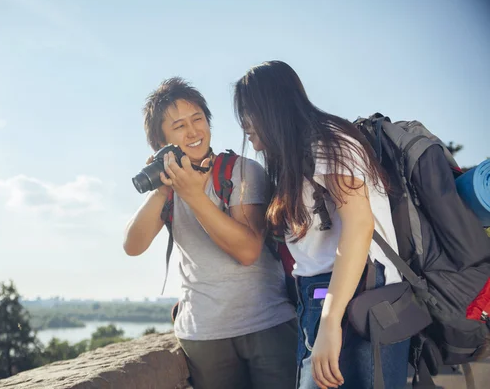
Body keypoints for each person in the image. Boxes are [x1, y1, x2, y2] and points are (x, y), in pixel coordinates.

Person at [233, 61, 410, 389]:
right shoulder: (297, 154)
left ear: (272, 106)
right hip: (331, 294)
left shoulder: (325, 143)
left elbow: (359, 225)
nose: (244, 123)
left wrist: (330, 320)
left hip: (354, 293)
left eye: (248, 110)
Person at [123, 77, 298, 389]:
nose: (193, 132)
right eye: (179, 126)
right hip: (203, 335)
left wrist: (193, 195)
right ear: (160, 143)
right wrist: (164, 189)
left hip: (266, 324)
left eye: (198, 119)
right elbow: (132, 246)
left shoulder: (241, 171)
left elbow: (247, 251)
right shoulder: (169, 190)